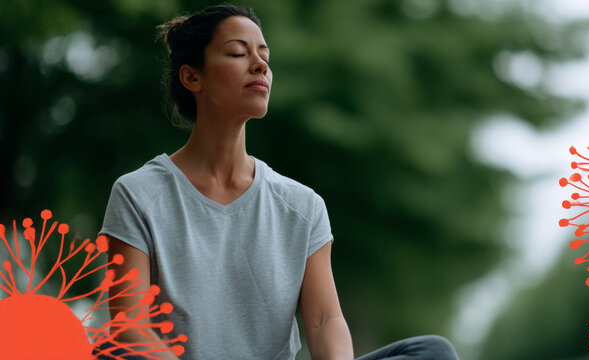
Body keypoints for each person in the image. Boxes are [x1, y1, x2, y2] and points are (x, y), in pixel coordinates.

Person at [94, 4, 459, 360]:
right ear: (192, 77)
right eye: (238, 52)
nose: (260, 64)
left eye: (264, 54)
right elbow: (132, 326)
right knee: (103, 354)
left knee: (432, 352)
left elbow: (323, 320)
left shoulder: (302, 206)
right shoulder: (138, 194)